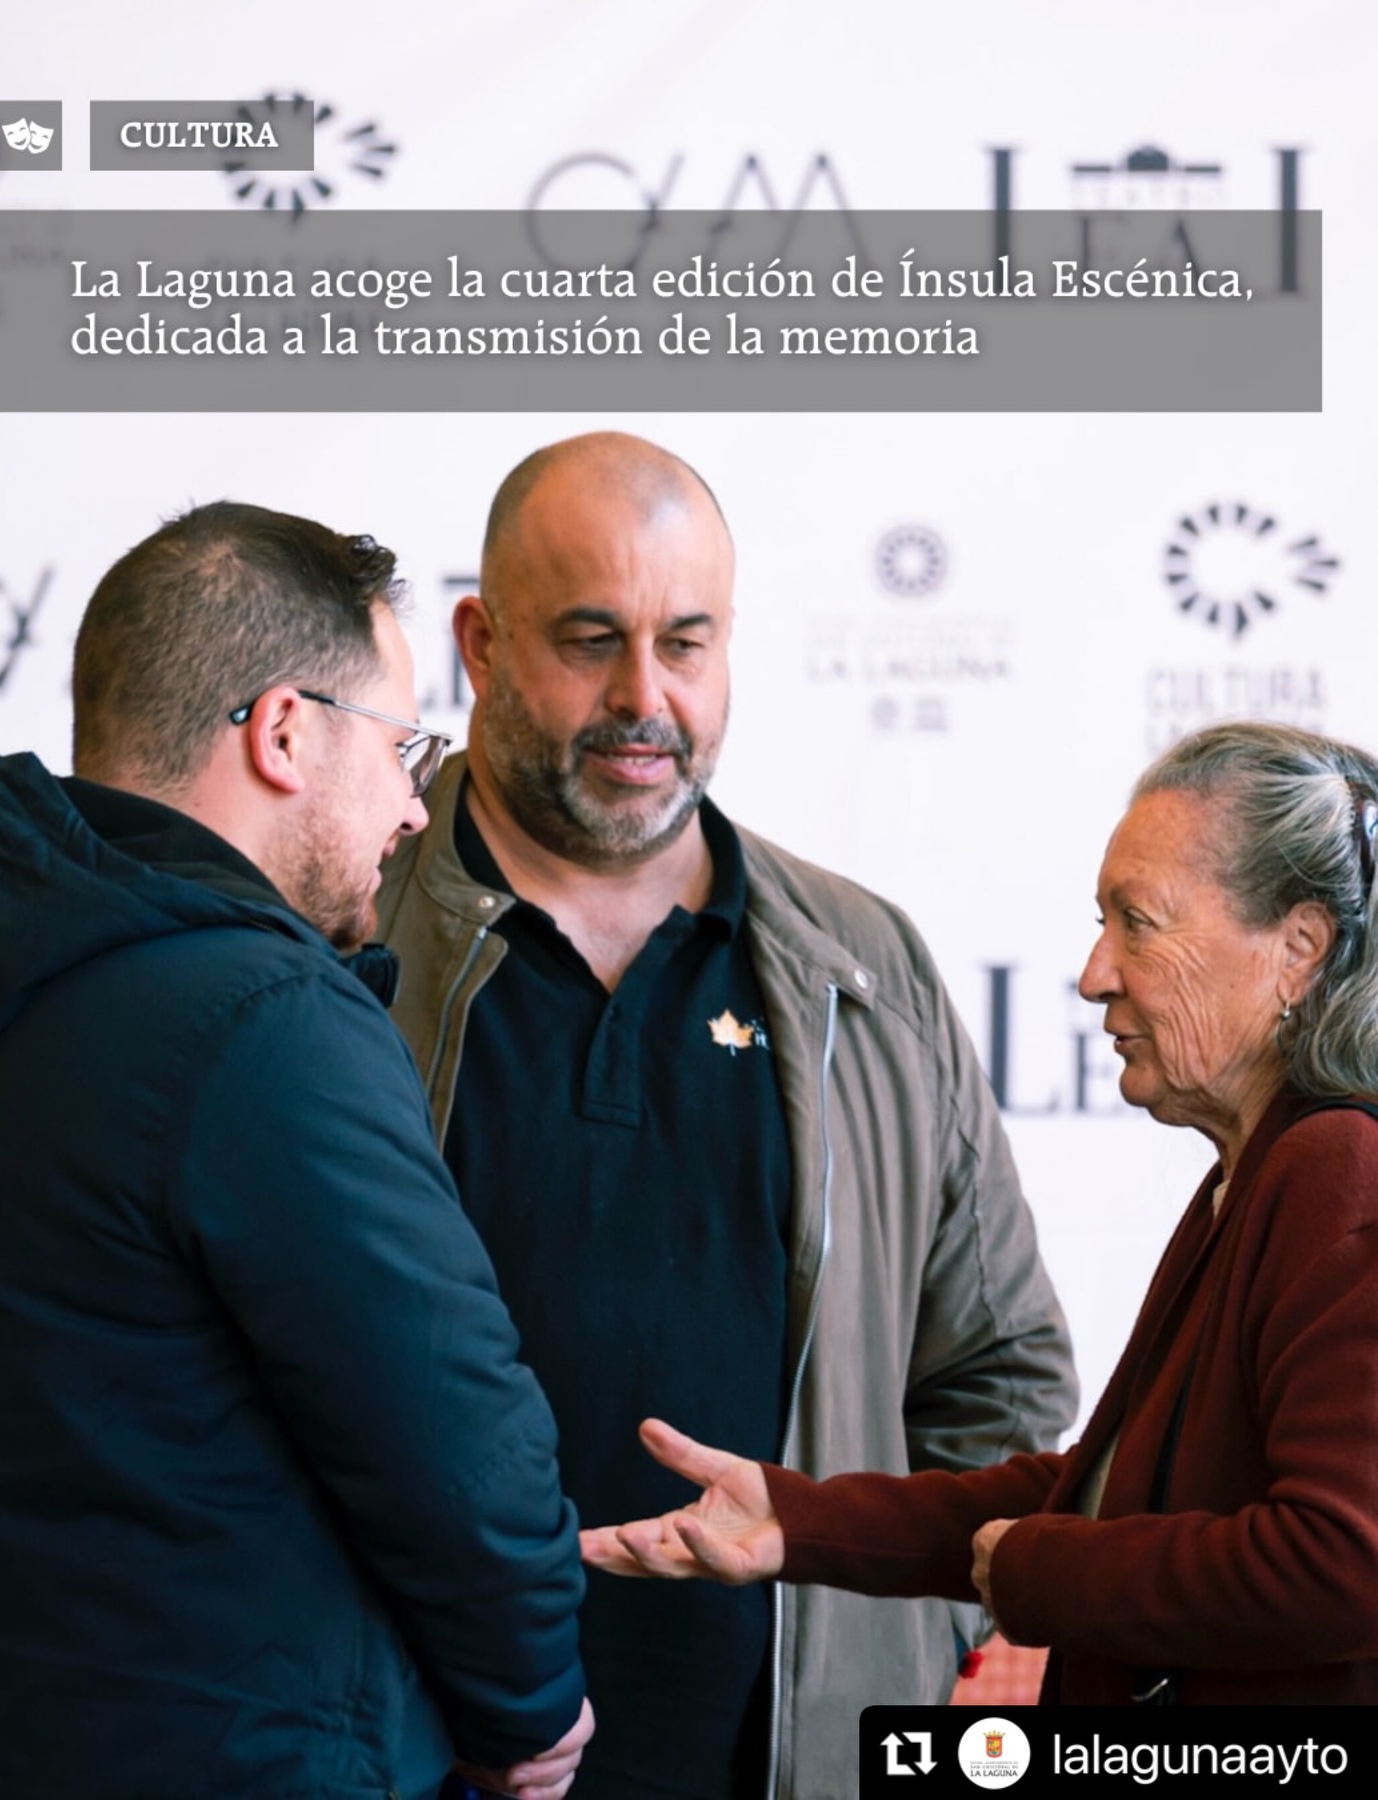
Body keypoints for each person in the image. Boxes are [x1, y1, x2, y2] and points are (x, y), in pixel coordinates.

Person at [375, 432, 1077, 1795]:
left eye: (685, 643)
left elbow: (1001, 1381)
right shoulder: (337, 930)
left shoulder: (864, 967)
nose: (646, 697)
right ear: (479, 640)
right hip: (408, 1755)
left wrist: (908, 1637)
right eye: (589, 639)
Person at [0, 502, 594, 1798]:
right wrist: (530, 1706)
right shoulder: (266, 1023)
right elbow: (454, 1433)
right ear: (286, 731)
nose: (415, 806)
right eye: (403, 745)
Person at [582, 719, 1378, 1706]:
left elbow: (1345, 1562)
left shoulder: (1336, 1167)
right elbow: (1097, 1497)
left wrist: (1044, 1577)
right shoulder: (1262, 1171)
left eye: (1140, 921)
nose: (1096, 975)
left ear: (1298, 950)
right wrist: (798, 1519)